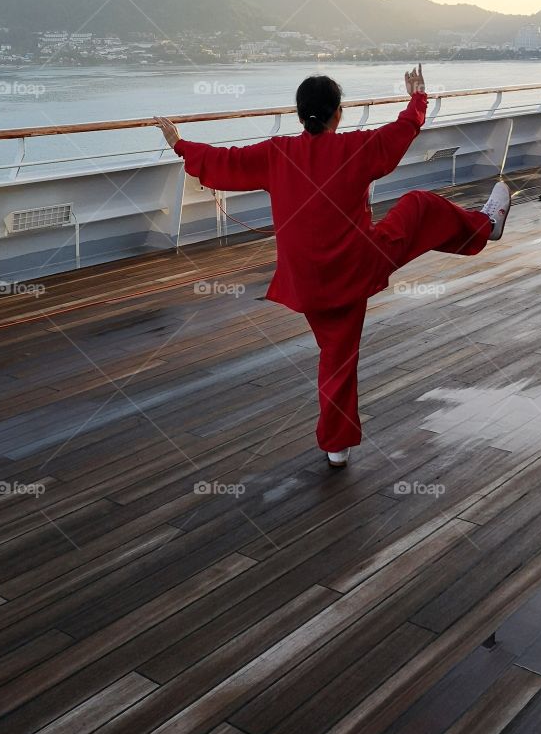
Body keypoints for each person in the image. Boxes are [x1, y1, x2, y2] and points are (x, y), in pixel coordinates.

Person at [155, 66, 510, 468]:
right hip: (356, 268)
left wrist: (180, 145)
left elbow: (225, 161)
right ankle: (485, 227)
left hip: (306, 282)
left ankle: (336, 446)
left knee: (336, 356)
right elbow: (400, 133)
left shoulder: (276, 154)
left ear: (299, 114)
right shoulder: (354, 149)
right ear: (336, 114)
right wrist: (417, 99)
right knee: (418, 206)